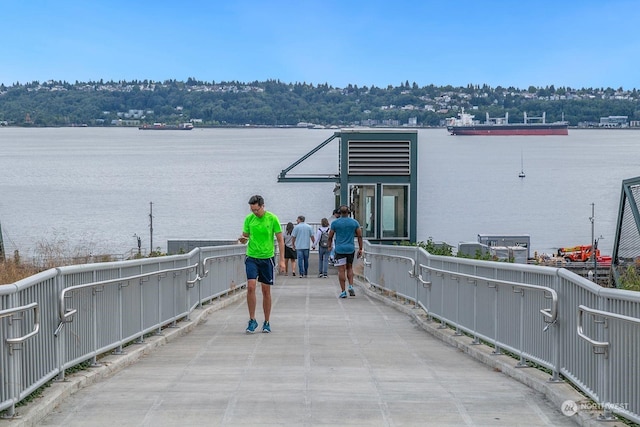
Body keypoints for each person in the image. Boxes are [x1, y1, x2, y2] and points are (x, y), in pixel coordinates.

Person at [238, 195, 285, 334]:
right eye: (252, 210)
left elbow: (280, 240)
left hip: (267, 258)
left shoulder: (272, 218)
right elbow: (245, 237)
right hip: (252, 256)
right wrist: (241, 239)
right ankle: (252, 320)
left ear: (262, 206)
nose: (255, 213)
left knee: (266, 290)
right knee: (251, 286)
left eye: (257, 210)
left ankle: (267, 321)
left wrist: (282, 260)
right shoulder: (249, 219)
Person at [328, 205, 363, 298]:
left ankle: (343, 291)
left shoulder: (335, 223)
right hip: (350, 248)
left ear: (340, 212)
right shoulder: (354, 222)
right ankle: (351, 285)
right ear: (349, 212)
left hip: (339, 249)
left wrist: (329, 246)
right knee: (350, 268)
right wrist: (360, 248)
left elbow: (330, 236)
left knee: (341, 270)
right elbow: (359, 236)